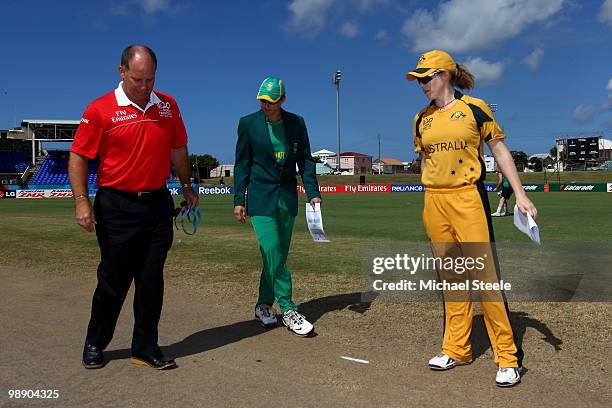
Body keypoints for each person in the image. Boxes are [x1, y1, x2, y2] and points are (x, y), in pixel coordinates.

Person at [407, 50, 538, 387]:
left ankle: (508, 359)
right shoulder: (421, 118)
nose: (422, 84)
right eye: (419, 79)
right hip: (433, 202)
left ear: (445, 75)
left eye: (426, 77)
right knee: (451, 278)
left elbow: (500, 151)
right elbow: (424, 161)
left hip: (468, 198)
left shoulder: (475, 109)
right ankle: (456, 348)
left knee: (485, 278)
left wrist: (520, 195)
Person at [69, 45, 198, 370]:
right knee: (113, 281)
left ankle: (145, 345)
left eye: (150, 79)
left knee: (151, 281)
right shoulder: (100, 109)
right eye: (138, 79)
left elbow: (178, 147)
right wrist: (82, 201)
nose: (144, 86)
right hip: (116, 206)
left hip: (156, 204)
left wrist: (186, 185)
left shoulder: (167, 106)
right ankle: (96, 343)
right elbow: (79, 156)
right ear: (122, 72)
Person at [233, 77, 321, 336]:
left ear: (282, 100)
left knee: (276, 257)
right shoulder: (247, 124)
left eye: (271, 102)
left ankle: (262, 305)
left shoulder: (296, 123)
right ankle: (288, 308)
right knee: (271, 250)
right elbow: (241, 165)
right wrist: (239, 200)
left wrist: (312, 192)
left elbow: (305, 160)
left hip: (286, 198)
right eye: (262, 101)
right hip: (260, 199)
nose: (266, 106)